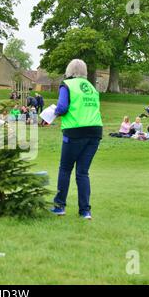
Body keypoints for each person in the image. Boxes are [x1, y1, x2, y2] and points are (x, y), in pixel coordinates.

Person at [51, 59, 103, 220]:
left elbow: (62, 107)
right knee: (82, 172)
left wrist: (52, 113)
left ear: (69, 71)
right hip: (94, 131)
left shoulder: (67, 85)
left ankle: (59, 206)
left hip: (75, 130)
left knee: (65, 168)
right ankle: (85, 211)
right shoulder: (92, 88)